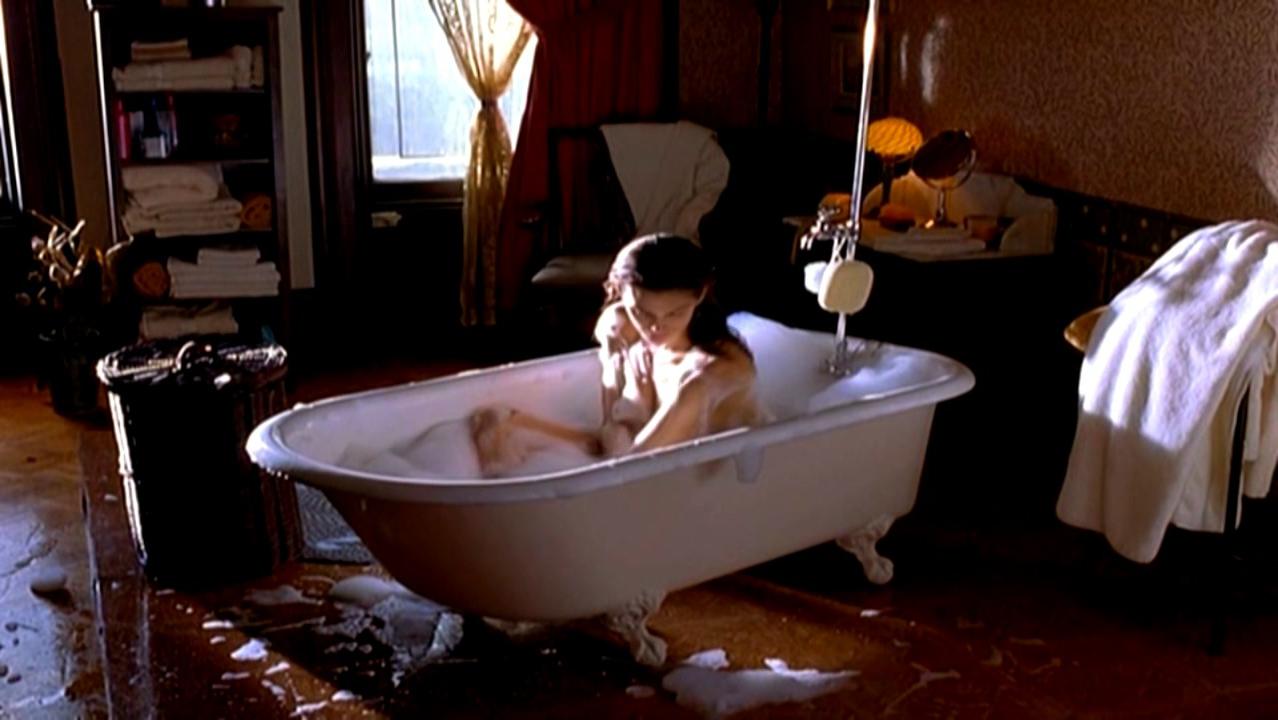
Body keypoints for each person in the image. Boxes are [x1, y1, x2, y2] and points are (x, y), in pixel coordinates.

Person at [470, 233, 763, 476]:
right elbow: (611, 437)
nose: (656, 328)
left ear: (700, 296)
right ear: (621, 292)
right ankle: (514, 424)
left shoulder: (703, 376)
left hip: (701, 479)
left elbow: (631, 471)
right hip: (637, 457)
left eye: (675, 313)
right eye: (643, 312)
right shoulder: (626, 328)